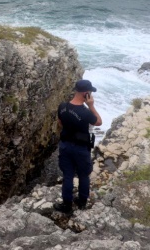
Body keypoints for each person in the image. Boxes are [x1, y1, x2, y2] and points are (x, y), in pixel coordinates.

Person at [54, 79, 103, 214]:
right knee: (83, 175)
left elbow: (60, 122)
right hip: (81, 148)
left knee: (68, 175)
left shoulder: (62, 106)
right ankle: (82, 202)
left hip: (65, 145)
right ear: (86, 94)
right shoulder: (86, 112)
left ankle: (67, 205)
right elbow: (99, 122)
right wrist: (91, 106)